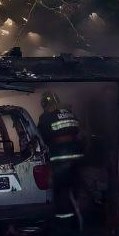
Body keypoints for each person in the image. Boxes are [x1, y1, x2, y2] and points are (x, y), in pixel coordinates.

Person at [37, 90, 84, 224]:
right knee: (73, 187)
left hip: (60, 157)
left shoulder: (46, 117)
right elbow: (77, 130)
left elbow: (41, 137)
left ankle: (63, 221)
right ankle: (77, 217)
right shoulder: (69, 112)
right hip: (77, 156)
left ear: (45, 104)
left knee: (60, 190)